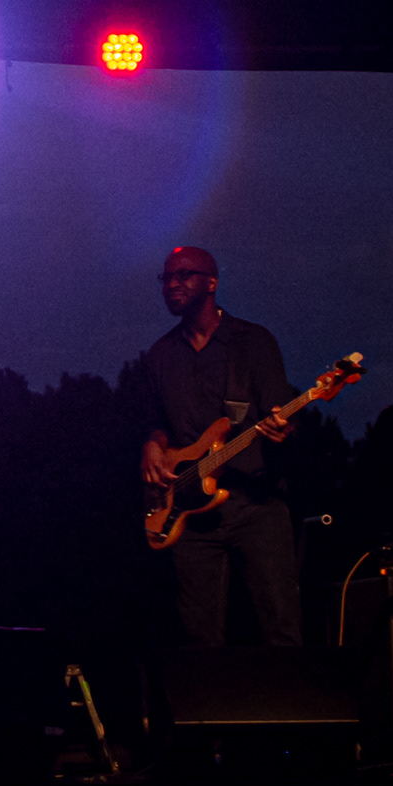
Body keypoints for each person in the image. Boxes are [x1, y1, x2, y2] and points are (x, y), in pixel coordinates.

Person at [133, 244, 308, 649]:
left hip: (256, 505)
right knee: (198, 639)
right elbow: (154, 423)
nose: (171, 284)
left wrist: (285, 428)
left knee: (280, 626)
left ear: (211, 283)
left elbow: (286, 414)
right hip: (189, 515)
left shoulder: (254, 342)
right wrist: (152, 446)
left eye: (183, 275)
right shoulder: (160, 356)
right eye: (166, 277)